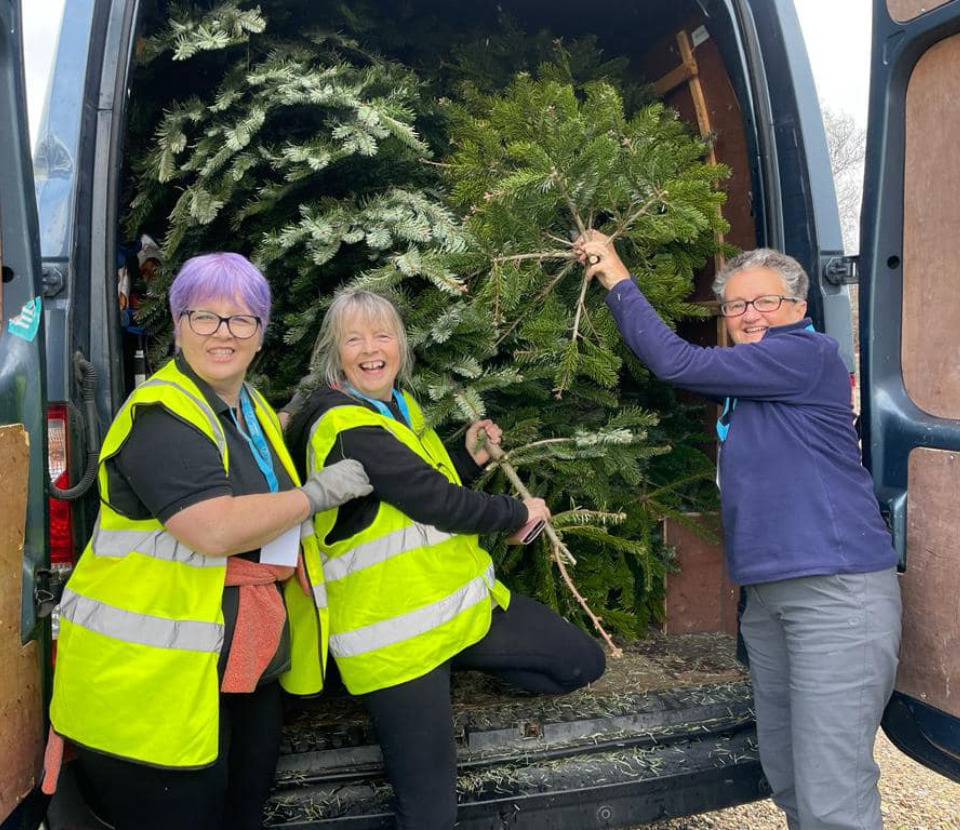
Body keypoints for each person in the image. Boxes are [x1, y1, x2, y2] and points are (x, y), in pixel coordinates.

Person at [576, 232, 901, 830]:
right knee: (788, 771)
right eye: (735, 305)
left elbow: (676, 361)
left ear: (799, 309)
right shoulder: (750, 383)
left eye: (765, 302)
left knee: (834, 789)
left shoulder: (805, 355)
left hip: (834, 592)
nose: (749, 315)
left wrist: (616, 277)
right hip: (771, 599)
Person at [46, 253, 373, 830]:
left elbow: (252, 475)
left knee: (242, 812)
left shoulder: (245, 407)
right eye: (204, 316)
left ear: (260, 333)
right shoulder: (162, 418)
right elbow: (211, 527)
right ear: (177, 323)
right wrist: (315, 495)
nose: (223, 333)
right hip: (151, 690)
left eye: (241, 319)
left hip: (239, 673)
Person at [285, 288, 607, 829]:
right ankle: (424, 692)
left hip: (460, 613)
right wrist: (516, 511)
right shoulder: (344, 425)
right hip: (395, 639)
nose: (371, 349)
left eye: (383, 335)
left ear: (401, 345)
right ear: (333, 352)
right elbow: (433, 501)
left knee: (582, 662)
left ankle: (455, 667)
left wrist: (465, 454)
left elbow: (420, 484)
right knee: (431, 810)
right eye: (354, 339)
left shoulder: (396, 407)